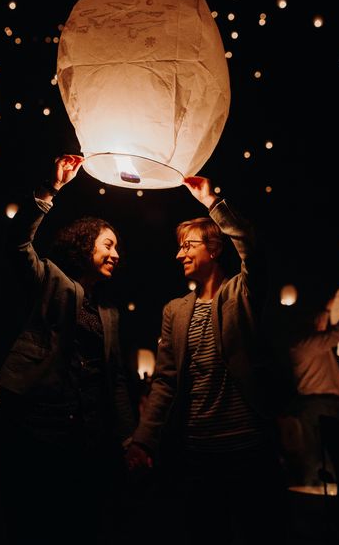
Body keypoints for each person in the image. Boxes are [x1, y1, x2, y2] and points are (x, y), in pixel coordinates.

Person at [125, 175, 292, 545]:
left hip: (248, 447)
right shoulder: (175, 311)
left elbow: (252, 247)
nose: (179, 254)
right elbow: (165, 381)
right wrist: (144, 439)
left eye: (189, 245)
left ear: (214, 250)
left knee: (262, 533)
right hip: (198, 452)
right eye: (179, 247)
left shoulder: (241, 292)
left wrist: (211, 203)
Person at [0, 154, 136, 545]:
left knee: (79, 522)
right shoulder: (52, 280)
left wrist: (129, 438)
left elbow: (117, 379)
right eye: (108, 244)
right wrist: (49, 190)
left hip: (86, 435)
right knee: (36, 521)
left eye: (118, 247)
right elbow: (18, 244)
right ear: (85, 244)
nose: (116, 253)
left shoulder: (108, 313)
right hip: (37, 426)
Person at [285, 288, 339, 491]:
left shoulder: (306, 342)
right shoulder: (306, 344)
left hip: (321, 404)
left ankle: (324, 495)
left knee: (324, 453)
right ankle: (319, 499)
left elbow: (321, 323)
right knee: (320, 454)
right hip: (318, 405)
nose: (321, 322)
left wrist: (328, 308)